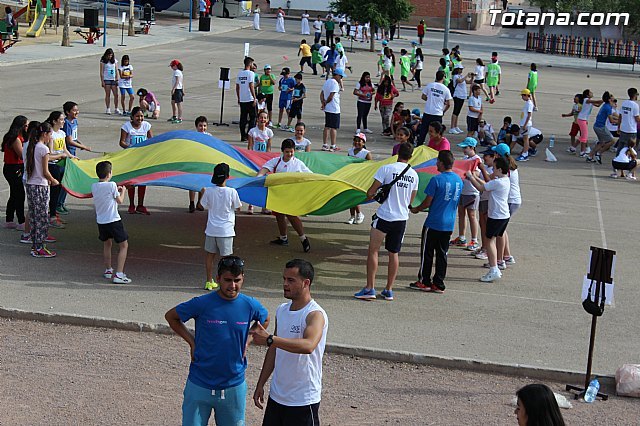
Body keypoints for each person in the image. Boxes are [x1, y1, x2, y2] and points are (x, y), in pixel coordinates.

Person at [165, 256, 269, 426]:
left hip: (233, 385)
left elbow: (264, 320)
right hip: (199, 383)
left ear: (243, 279)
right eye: (228, 280)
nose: (233, 285)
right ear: (218, 278)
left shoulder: (250, 305)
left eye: (237, 280)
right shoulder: (202, 303)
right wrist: (192, 342)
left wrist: (249, 339)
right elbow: (172, 317)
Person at [251, 259, 328, 426]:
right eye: (284, 279)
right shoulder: (282, 310)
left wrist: (271, 339)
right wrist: (261, 383)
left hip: (303, 400)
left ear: (306, 283)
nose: (285, 284)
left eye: (291, 280)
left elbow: (308, 345)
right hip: (277, 396)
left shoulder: (315, 314)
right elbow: (274, 349)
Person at [354, 143, 418, 301]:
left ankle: (370, 288)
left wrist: (372, 195)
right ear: (410, 156)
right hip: (401, 218)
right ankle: (389, 289)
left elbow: (371, 192)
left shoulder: (386, 169)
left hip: (385, 216)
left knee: (373, 251)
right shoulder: (414, 175)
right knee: (393, 253)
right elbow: (411, 199)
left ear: (397, 153)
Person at [409, 150, 463, 293]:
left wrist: (416, 209)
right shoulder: (458, 180)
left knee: (427, 252)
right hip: (449, 223)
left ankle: (424, 281)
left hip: (434, 222)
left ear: (441, 163)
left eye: (437, 161)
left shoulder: (436, 180)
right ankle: (438, 282)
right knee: (442, 253)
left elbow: (427, 202)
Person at [258, 139, 312, 252]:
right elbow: (264, 169)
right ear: (282, 151)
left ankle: (303, 239)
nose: (290, 154)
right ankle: (283, 238)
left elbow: (311, 175)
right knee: (279, 215)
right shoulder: (276, 161)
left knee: (291, 215)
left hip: (291, 194)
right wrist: (257, 178)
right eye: (287, 152)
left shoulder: (297, 163)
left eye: (292, 152)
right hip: (278, 194)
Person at [466, 151, 511, 282]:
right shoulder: (504, 180)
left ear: (500, 169)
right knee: (495, 238)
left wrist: (470, 176)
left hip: (496, 216)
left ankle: (493, 268)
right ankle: (498, 263)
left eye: (495, 168)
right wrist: (475, 177)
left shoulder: (498, 182)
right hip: (503, 215)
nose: (493, 170)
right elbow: (487, 184)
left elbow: (481, 188)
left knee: (489, 241)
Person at [199, 163, 242, 291]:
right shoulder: (232, 192)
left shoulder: (208, 191)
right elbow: (238, 208)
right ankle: (225, 282)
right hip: (226, 230)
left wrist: (202, 193)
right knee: (227, 260)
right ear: (227, 176)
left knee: (210, 256)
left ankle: (208, 281)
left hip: (211, 229)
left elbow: (201, 206)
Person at [91, 161, 130, 284]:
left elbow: (106, 194)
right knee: (124, 245)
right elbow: (120, 201)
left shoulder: (94, 186)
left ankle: (108, 270)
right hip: (113, 220)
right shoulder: (112, 185)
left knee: (107, 244)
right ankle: (119, 274)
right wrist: (123, 191)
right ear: (109, 174)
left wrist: (115, 190)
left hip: (101, 221)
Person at [25, 122, 59, 258]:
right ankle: (39, 247)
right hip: (40, 186)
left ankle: (35, 245)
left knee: (34, 216)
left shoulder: (30, 146)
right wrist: (53, 180)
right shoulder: (43, 149)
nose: (51, 137)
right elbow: (45, 171)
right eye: (50, 134)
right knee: (42, 217)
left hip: (30, 185)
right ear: (44, 134)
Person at [119, 107, 153, 215]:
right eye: (137, 116)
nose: (140, 118)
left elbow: (152, 140)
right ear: (132, 117)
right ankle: (132, 205)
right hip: (131, 158)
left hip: (143, 158)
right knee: (132, 181)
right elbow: (121, 142)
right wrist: (131, 147)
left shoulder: (146, 126)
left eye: (142, 116)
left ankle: (141, 205)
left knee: (143, 181)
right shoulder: (126, 127)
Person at [45, 112, 75, 229]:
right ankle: (52, 216)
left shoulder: (62, 133)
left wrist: (72, 157)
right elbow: (50, 152)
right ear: (54, 121)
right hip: (53, 165)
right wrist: (61, 155)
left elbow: (65, 149)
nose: (63, 121)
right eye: (61, 120)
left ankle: (54, 214)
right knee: (54, 191)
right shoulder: (51, 134)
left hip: (62, 164)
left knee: (58, 190)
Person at [450, 137, 480, 251]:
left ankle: (474, 240)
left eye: (465, 147)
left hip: (472, 192)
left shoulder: (477, 160)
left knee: (472, 215)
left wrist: (470, 174)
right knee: (461, 213)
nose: (463, 150)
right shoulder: (465, 159)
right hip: (462, 190)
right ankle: (462, 237)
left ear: (472, 147)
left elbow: (477, 174)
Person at [3, 115, 28, 230]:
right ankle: (21, 221)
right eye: (26, 125)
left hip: (13, 167)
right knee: (19, 194)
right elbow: (21, 155)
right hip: (14, 168)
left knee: (14, 194)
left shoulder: (17, 137)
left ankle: (9, 219)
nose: (27, 127)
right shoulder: (15, 139)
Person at [418, 70, 453, 146]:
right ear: (443, 78)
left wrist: (430, 99)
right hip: (437, 113)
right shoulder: (445, 89)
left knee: (423, 132)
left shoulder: (430, 85)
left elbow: (423, 96)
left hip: (428, 112)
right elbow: (449, 103)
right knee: (437, 133)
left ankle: (419, 146)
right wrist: (444, 111)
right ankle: (435, 147)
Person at [346, 133, 372, 225]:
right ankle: (352, 216)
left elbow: (370, 166)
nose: (357, 142)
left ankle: (359, 214)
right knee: (350, 196)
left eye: (359, 141)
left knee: (355, 196)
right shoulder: (350, 151)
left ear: (363, 143)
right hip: (351, 176)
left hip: (361, 177)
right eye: (355, 140)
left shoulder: (366, 153)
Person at [587, 92, 618, 164]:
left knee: (601, 142)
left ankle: (590, 156)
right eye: (612, 97)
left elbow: (611, 117)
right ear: (610, 99)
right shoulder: (608, 107)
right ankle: (599, 153)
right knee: (612, 141)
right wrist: (620, 122)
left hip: (598, 126)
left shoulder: (606, 105)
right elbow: (611, 120)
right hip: (600, 127)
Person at [188, 116, 210, 213]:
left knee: (202, 182)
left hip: (204, 162)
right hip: (194, 162)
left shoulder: (209, 136)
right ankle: (191, 202)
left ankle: (200, 202)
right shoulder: (193, 136)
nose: (202, 128)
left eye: (204, 126)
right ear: (196, 127)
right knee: (192, 183)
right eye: (200, 126)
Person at [320, 68, 344, 152]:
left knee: (327, 126)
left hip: (328, 109)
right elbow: (331, 96)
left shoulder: (327, 81)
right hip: (334, 108)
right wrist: (326, 102)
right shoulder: (335, 84)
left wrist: (323, 103)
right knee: (333, 128)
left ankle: (324, 144)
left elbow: (322, 93)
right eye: (340, 76)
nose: (341, 78)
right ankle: (333, 145)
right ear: (337, 75)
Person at [236, 56, 257, 142]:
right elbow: (251, 85)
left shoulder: (240, 73)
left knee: (243, 118)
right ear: (250, 64)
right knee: (253, 117)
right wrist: (254, 97)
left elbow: (237, 87)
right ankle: (248, 134)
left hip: (242, 99)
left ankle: (242, 135)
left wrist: (239, 97)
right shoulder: (251, 73)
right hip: (249, 98)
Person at [449, 65, 474, 135]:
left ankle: (455, 126)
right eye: (461, 69)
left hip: (462, 96)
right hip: (457, 95)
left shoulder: (460, 76)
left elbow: (468, 82)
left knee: (458, 112)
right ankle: (452, 127)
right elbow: (459, 81)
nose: (462, 70)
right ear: (457, 69)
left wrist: (472, 77)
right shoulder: (455, 76)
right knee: (455, 111)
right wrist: (466, 75)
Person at [617, 87, 640, 156]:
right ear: (635, 95)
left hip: (623, 128)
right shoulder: (635, 105)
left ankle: (617, 159)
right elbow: (637, 119)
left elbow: (620, 116)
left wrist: (618, 127)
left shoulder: (624, 103)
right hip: (631, 130)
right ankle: (627, 161)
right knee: (630, 147)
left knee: (620, 146)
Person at [515, 88, 536, 162]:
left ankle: (525, 154)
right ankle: (525, 152)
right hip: (524, 124)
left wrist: (525, 125)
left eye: (523, 96)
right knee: (525, 139)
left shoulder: (529, 104)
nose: (522, 97)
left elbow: (529, 115)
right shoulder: (527, 103)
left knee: (526, 140)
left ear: (527, 95)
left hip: (526, 125)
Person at [99, 49, 120, 115]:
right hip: (106, 79)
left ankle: (116, 108)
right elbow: (101, 71)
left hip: (113, 79)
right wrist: (102, 81)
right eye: (109, 55)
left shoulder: (114, 61)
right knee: (108, 94)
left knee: (116, 94)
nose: (110, 57)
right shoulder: (103, 61)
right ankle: (108, 108)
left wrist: (117, 78)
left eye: (111, 55)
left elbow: (116, 70)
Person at [167, 59, 185, 124]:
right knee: (173, 102)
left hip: (177, 89)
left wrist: (173, 89)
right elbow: (181, 82)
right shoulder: (178, 72)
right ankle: (174, 116)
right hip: (178, 89)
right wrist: (183, 90)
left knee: (178, 104)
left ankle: (180, 118)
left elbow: (177, 81)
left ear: (175, 66)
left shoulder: (177, 72)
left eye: (172, 66)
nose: (171, 67)